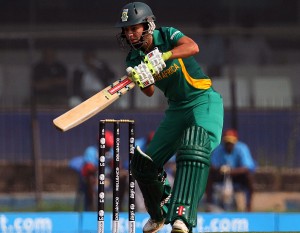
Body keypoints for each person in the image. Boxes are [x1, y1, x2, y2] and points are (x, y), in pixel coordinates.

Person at [115, 2, 224, 233]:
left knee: (194, 144)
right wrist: (143, 79)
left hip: (202, 99)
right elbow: (150, 91)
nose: (130, 33)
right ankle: (159, 213)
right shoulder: (134, 58)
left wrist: (164, 55)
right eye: (127, 30)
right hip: (176, 109)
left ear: (148, 24)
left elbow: (193, 47)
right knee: (143, 164)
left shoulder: (166, 34)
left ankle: (182, 217)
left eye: (134, 28)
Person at [206, 129, 256, 212]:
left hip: (237, 175)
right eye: (227, 142)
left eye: (231, 142)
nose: (229, 145)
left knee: (249, 177)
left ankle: (248, 206)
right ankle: (209, 204)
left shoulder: (242, 148)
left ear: (235, 142)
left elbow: (247, 167)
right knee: (209, 175)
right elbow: (212, 165)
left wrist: (230, 171)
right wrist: (220, 169)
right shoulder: (219, 149)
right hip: (221, 175)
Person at [69, 130, 114, 211]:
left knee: (122, 177)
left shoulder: (112, 152)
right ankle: (91, 208)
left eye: (109, 147)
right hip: (94, 178)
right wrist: (101, 167)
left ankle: (119, 209)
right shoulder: (91, 151)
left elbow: (117, 166)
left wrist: (113, 164)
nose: (108, 149)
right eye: (107, 146)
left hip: (108, 177)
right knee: (90, 178)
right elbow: (89, 168)